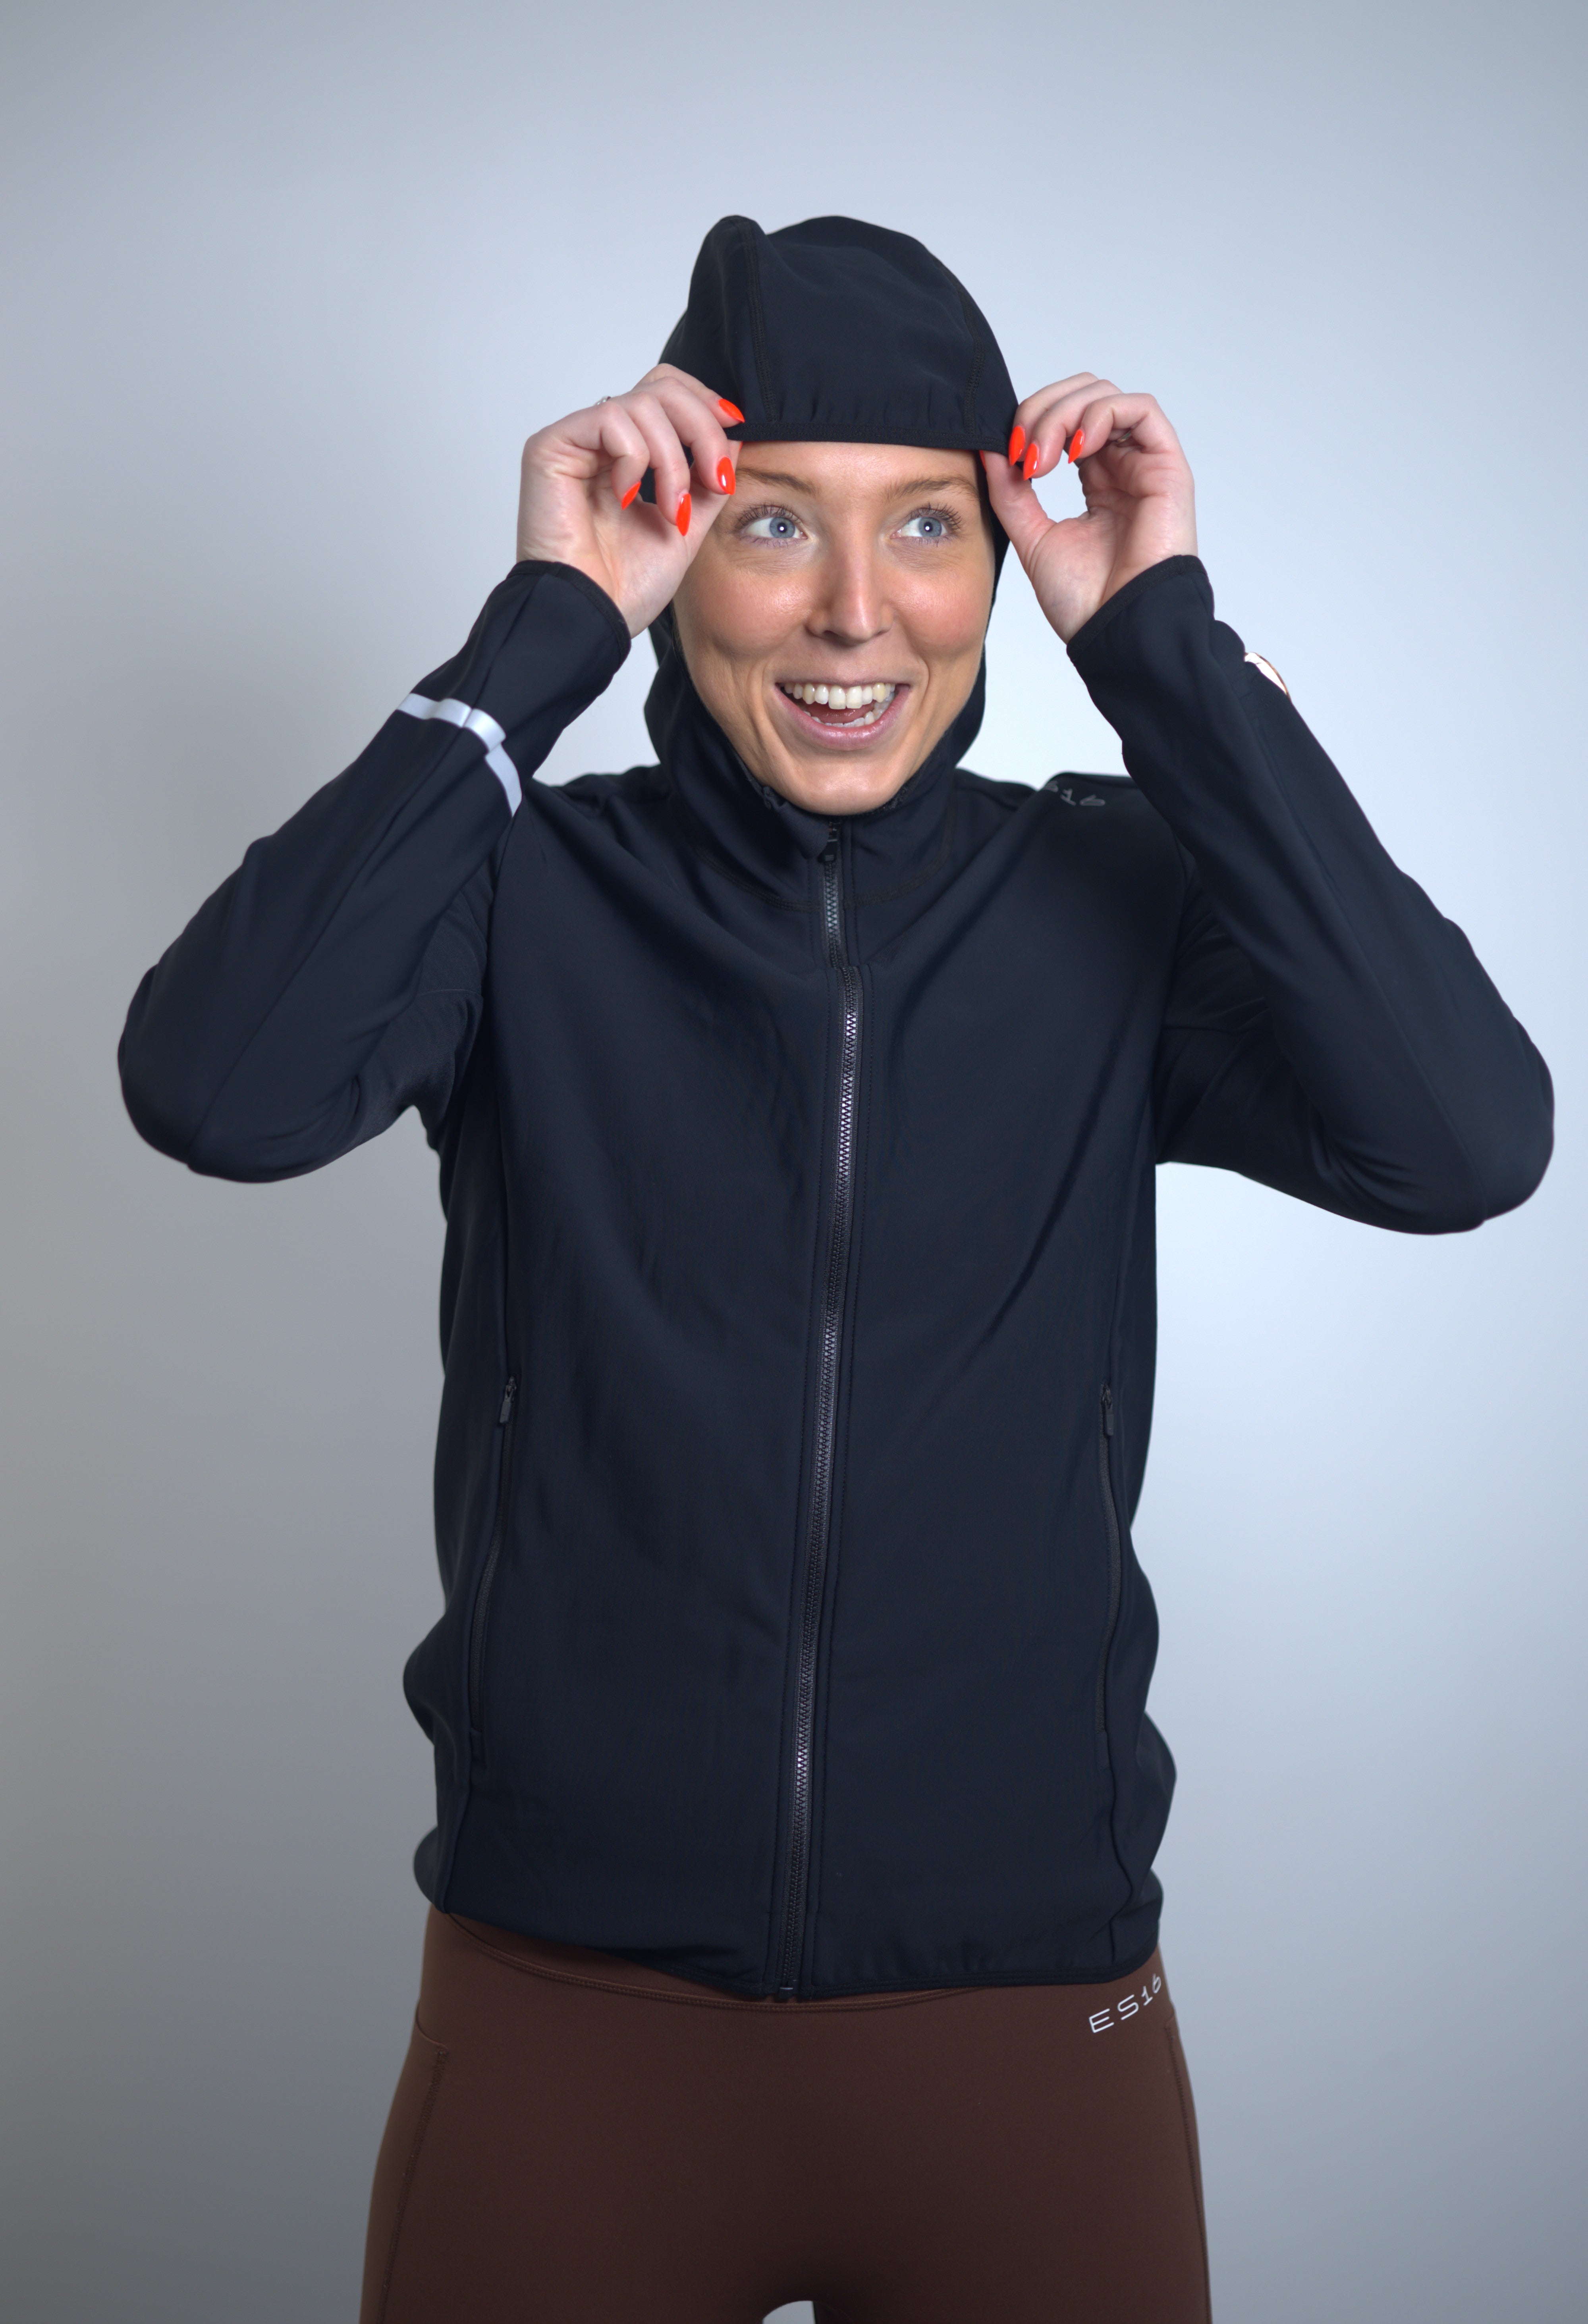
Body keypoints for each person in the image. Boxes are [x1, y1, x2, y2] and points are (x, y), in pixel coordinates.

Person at [118, 214, 1553, 2324]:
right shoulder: (523, 890)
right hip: (569, 2028)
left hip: (1030, 2033)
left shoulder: (1116, 897)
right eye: (775, 521)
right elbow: (215, 1086)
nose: (857, 610)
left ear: (1004, 565)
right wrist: (540, 631)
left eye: (931, 528)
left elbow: (1465, 1138)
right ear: (678, 545)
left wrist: (1163, 651)